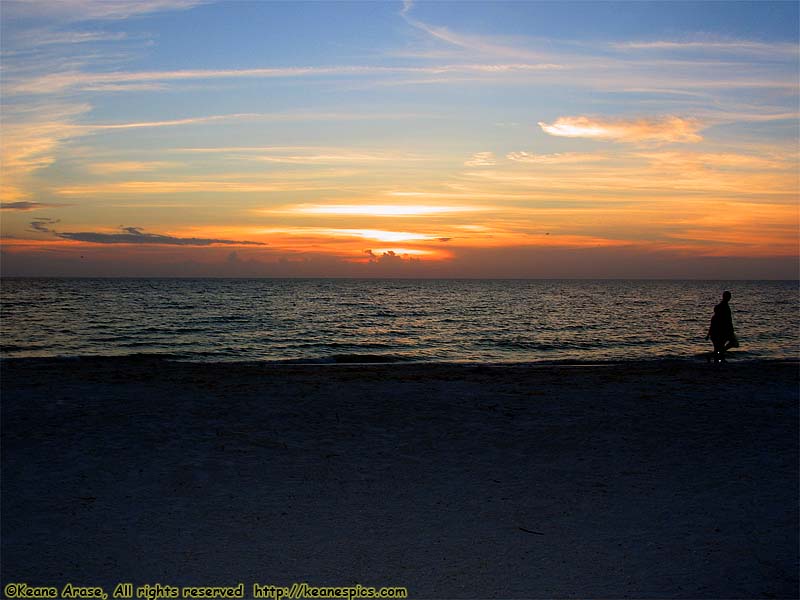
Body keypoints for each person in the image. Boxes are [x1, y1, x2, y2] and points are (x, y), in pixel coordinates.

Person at [706, 290, 737, 363]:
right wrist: (731, 330)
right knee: (725, 345)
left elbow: (713, 324)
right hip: (721, 331)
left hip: (719, 332)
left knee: (719, 347)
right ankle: (717, 359)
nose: (729, 298)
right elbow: (728, 321)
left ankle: (717, 358)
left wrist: (708, 334)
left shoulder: (722, 307)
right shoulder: (724, 307)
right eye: (728, 296)